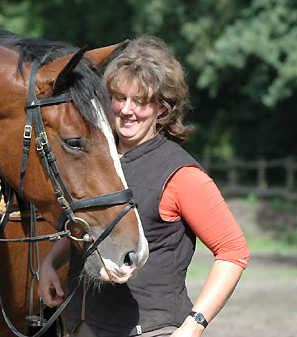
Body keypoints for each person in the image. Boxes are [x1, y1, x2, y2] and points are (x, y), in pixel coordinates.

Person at [38, 35, 250, 337]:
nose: (126, 110)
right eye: (119, 97)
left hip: (151, 329)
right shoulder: (98, 157)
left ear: (162, 109)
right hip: (83, 325)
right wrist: (50, 262)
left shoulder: (180, 173)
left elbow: (233, 250)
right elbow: (89, 221)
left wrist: (193, 325)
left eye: (140, 101)